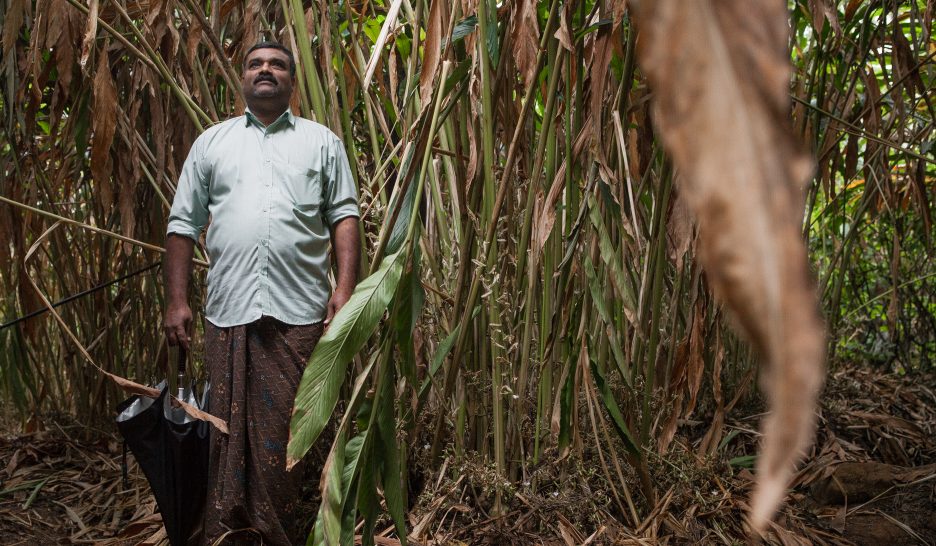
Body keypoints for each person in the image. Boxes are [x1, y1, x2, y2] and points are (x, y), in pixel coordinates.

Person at [163, 41, 361, 545]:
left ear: (292, 81)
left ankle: (284, 533)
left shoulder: (321, 142)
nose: (265, 70)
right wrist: (178, 301)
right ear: (243, 79)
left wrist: (344, 290)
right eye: (256, 64)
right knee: (227, 432)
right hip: (229, 311)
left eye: (277, 64)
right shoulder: (212, 143)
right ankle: (231, 532)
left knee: (288, 435)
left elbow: (344, 216)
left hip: (301, 314)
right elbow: (183, 225)